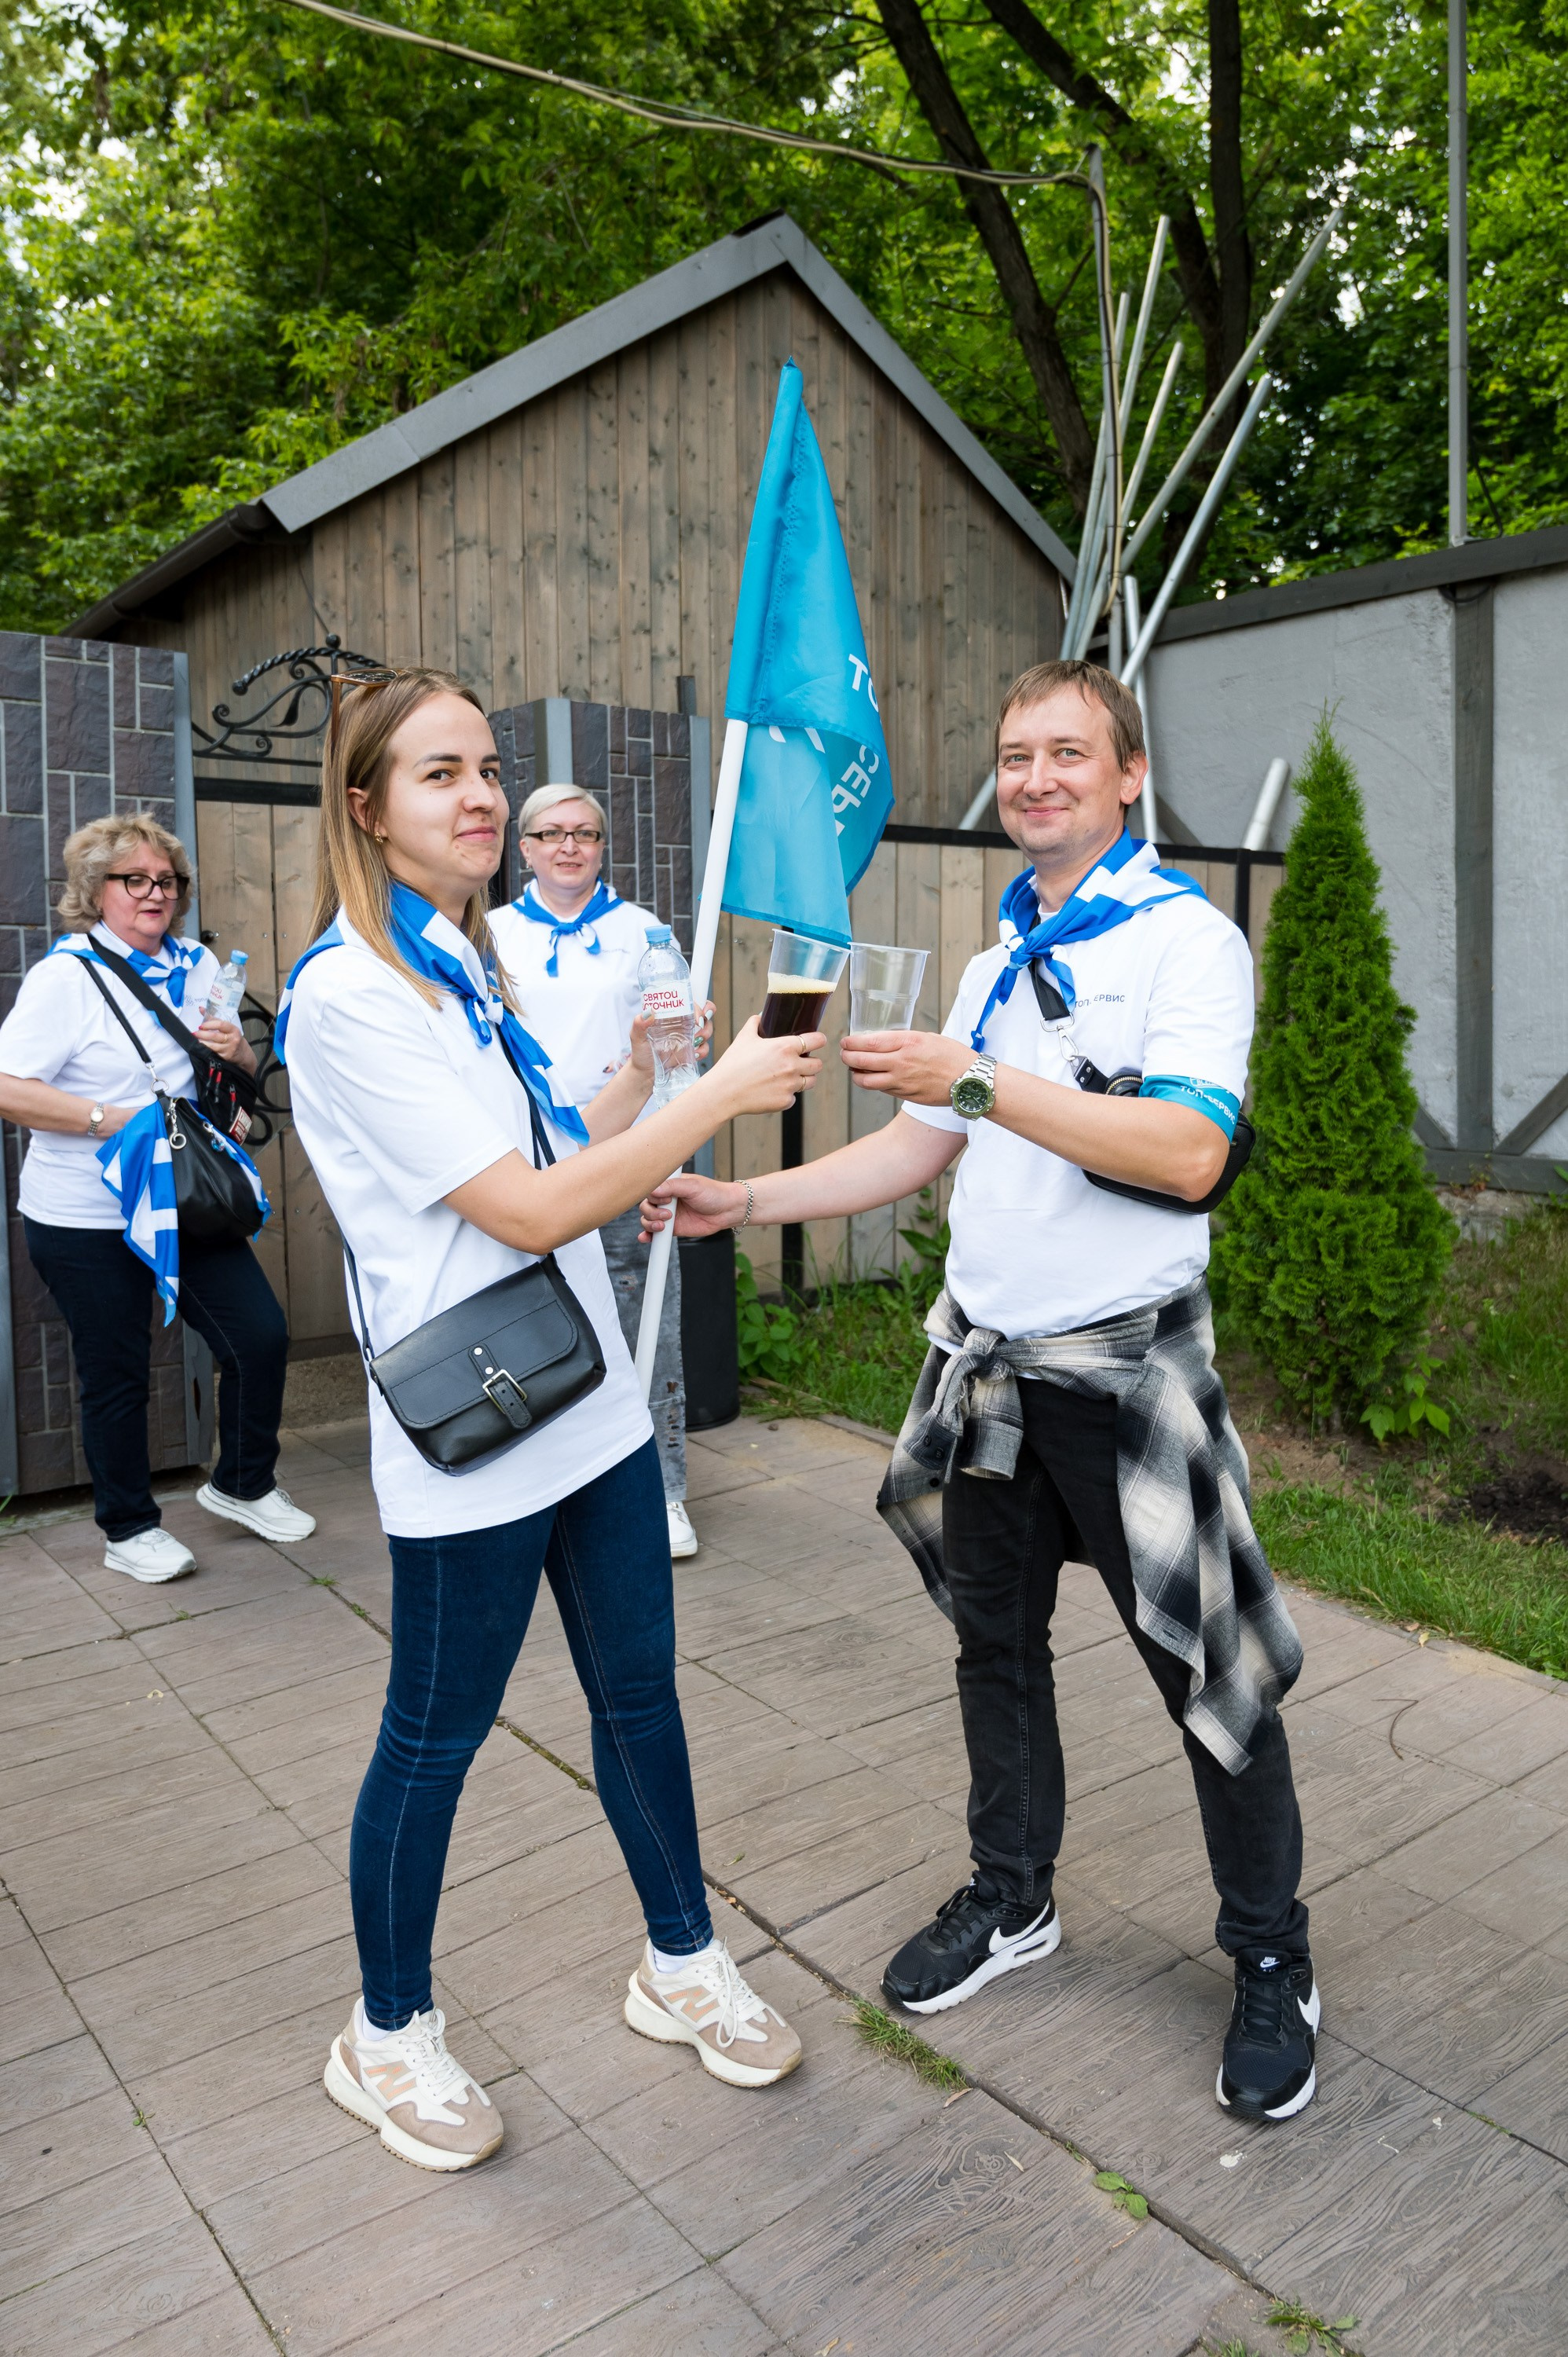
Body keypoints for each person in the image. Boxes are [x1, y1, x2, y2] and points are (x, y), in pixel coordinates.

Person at [645, 658, 1318, 2125]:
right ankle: (1014, 1900)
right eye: (1014, 756)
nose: (1034, 780)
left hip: (1128, 1376)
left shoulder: (1185, 943)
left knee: (1213, 1689)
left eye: (1067, 754)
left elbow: (1190, 1157)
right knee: (991, 1653)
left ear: (1130, 774)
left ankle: (1272, 1953)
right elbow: (921, 1149)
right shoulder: (993, 953)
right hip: (987, 1373)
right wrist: (741, 1205)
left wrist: (976, 1080)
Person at [278, 667, 819, 2173]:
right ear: (367, 810)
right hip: (476, 1425)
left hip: (586, 1404)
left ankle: (680, 1961)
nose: (481, 795)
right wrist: (707, 1097)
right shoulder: (349, 995)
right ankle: (384, 2038)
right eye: (439, 773)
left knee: (639, 1699)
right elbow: (517, 1207)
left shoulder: (467, 965)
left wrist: (646, 1082)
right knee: (434, 1743)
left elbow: (553, 1147)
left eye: (490, 766)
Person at [0, 814, 314, 1582]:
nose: (153, 893)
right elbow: (8, 1087)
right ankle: (129, 1527)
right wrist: (112, 1121)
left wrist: (237, 1050)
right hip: (86, 1214)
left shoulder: (199, 968)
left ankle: (242, 1481)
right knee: (117, 1370)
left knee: (259, 1337)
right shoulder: (66, 978)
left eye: (165, 882)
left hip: (183, 1199)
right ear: (95, 892)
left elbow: (229, 1073)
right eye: (132, 880)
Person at [489, 783, 704, 1560]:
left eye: (584, 833)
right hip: (525, 1170)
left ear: (602, 846)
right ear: (526, 849)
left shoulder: (643, 934)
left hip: (623, 1161)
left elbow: (677, 1053)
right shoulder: (489, 934)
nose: (569, 846)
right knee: (532, 1324)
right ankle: (548, 1491)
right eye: (551, 834)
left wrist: (661, 1156)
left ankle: (666, 1493)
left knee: (646, 1325)